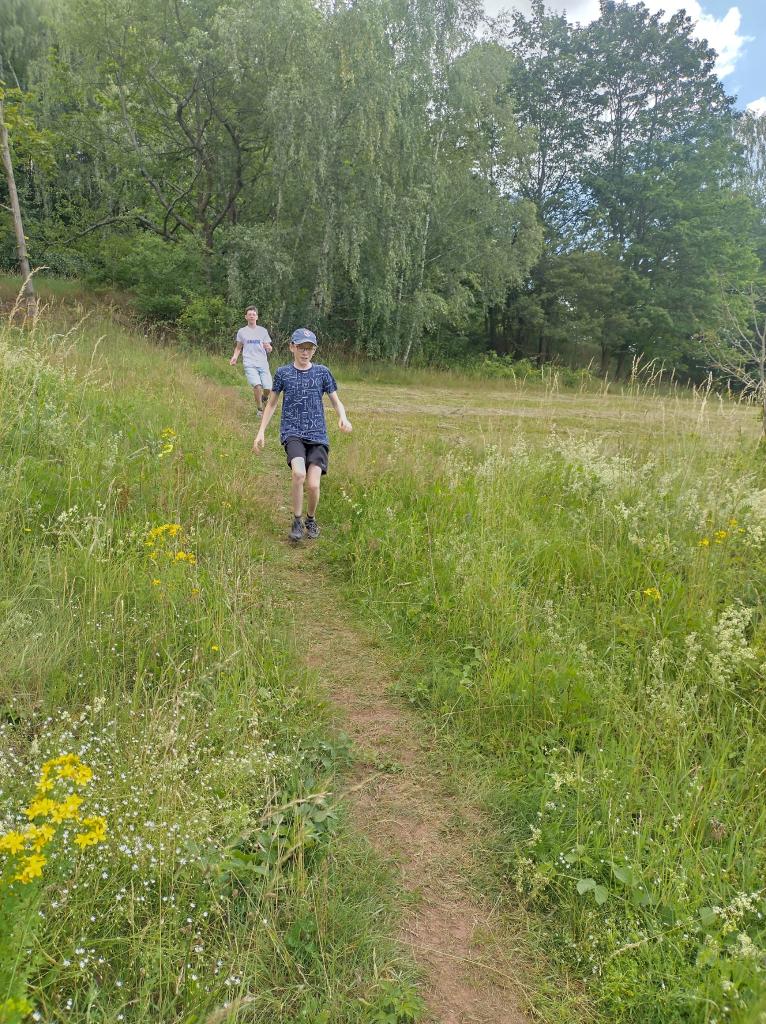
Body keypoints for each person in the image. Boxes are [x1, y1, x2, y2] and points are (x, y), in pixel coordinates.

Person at [253, 327, 352, 541]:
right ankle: (297, 521)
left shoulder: (322, 372)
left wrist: (343, 417)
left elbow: (336, 401)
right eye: (301, 347)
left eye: (309, 348)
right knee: (299, 474)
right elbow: (271, 404)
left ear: (314, 350)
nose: (305, 352)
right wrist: (261, 431)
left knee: (313, 484)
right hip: (293, 432)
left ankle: (310, 519)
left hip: (317, 435)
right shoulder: (283, 373)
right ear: (292, 347)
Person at [229, 305, 273, 414]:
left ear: (257, 317)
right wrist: (235, 357)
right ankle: (260, 409)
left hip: (262, 362)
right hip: (249, 362)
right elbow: (238, 348)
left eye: (254, 314)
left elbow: (269, 348)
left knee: (268, 388)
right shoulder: (242, 332)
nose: (252, 316)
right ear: (246, 317)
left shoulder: (263, 331)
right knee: (257, 386)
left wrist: (269, 348)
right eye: (250, 314)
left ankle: (264, 397)